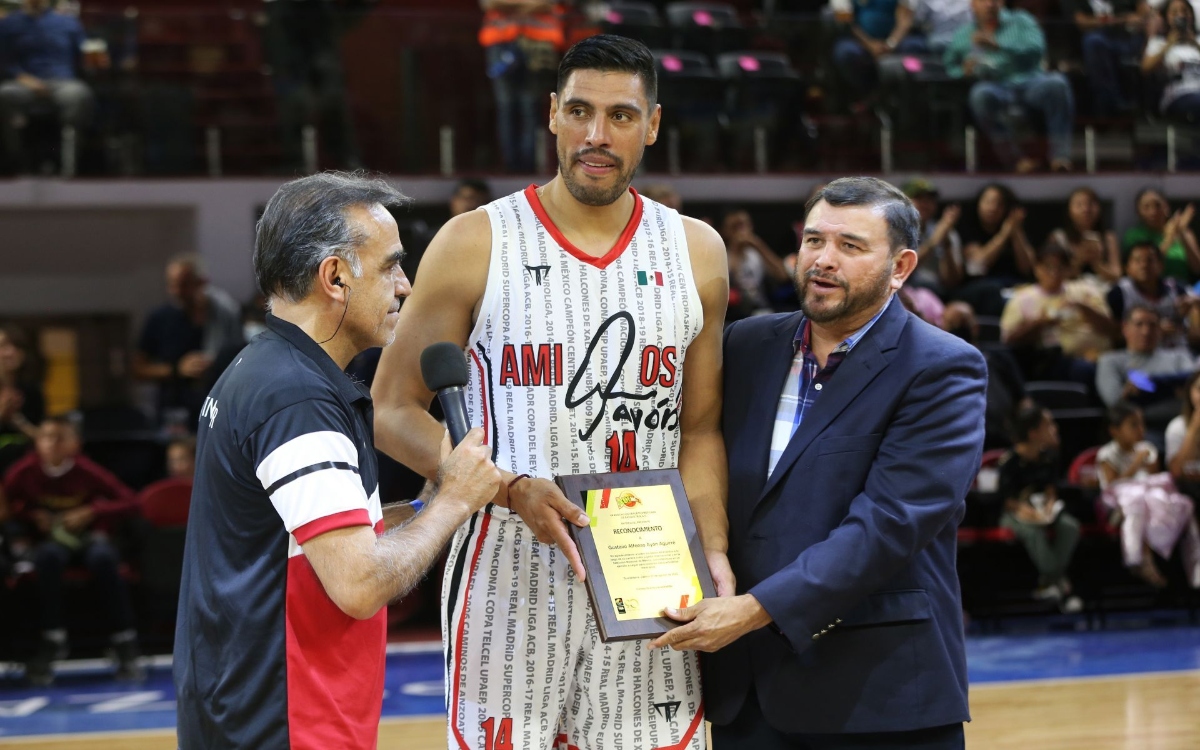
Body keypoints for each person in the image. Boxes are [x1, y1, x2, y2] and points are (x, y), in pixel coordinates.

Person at [371, 35, 729, 750]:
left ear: (652, 126)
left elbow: (699, 430)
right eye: (580, 111)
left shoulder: (697, 251)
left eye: (621, 116)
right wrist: (507, 489)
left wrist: (712, 552)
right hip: (506, 573)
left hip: (650, 575)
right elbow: (390, 409)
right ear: (552, 115)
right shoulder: (474, 241)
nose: (597, 135)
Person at [173, 172, 501, 749]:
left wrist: (430, 501)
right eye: (390, 266)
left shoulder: (268, 371)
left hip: (251, 711)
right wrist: (453, 503)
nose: (405, 286)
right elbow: (359, 582)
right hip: (284, 722)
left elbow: (322, 543)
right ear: (335, 277)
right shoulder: (297, 399)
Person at [658, 177, 982, 748]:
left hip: (880, 696)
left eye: (850, 246)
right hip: (747, 690)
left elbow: (888, 525)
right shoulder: (746, 344)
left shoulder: (942, 368)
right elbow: (692, 453)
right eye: (814, 240)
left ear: (901, 267)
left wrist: (754, 610)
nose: (823, 260)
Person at [3, 415, 142, 686]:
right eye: (46, 437)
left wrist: (91, 511)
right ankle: (52, 638)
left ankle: (124, 640)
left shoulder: (86, 470)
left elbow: (131, 502)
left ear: (76, 444)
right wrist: (32, 516)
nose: (52, 444)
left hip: (88, 539)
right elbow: (7, 506)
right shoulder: (23, 471)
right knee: (47, 557)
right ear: (37, 442)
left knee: (104, 558)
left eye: (60, 438)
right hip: (50, 543)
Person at [944, 0, 1075, 172]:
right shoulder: (964, 33)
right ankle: (1016, 160)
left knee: (1057, 83)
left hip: (1030, 81)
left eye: (995, 0)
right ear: (973, 4)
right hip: (995, 86)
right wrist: (963, 71)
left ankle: (1060, 157)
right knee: (979, 95)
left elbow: (1037, 49)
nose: (990, 4)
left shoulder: (1021, 20)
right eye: (984, 0)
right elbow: (950, 66)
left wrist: (999, 46)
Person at [1097, 401, 1200, 588]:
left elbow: (1154, 478)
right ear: (1114, 430)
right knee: (1135, 498)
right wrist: (1136, 463)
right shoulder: (1106, 453)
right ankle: (1136, 558)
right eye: (1133, 425)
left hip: (1149, 498)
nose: (1141, 429)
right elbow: (1112, 485)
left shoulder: (1147, 448)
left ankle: (1195, 568)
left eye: (1142, 424)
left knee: (1184, 503)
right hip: (1118, 504)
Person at [133, 254, 245, 426]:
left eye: (184, 284)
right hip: (174, 414)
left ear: (202, 282)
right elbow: (138, 368)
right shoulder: (160, 319)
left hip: (217, 411)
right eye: (172, 284)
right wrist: (177, 369)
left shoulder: (225, 315)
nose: (176, 291)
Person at [997, 405, 1084, 611]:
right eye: (1048, 425)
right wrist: (1027, 512)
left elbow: (1051, 491)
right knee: (1033, 533)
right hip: (1016, 514)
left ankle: (1047, 583)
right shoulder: (1009, 462)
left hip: (1042, 511)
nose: (1055, 428)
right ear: (1033, 433)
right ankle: (1061, 585)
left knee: (1070, 526)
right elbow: (1008, 501)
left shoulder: (1049, 458)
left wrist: (1049, 507)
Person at [1000, 240, 1117, 384]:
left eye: (1060, 267)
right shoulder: (1022, 298)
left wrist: (1083, 307)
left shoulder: (1086, 290)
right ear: (1036, 268)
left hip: (1104, 358)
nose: (1054, 273)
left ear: (1068, 269)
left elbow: (1113, 330)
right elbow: (1009, 340)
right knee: (1084, 370)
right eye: (1048, 267)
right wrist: (1041, 323)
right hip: (1053, 360)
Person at [0, 0, 94, 172]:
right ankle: (17, 163)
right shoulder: (9, 23)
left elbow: (84, 55)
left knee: (79, 94)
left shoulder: (68, 22)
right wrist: (23, 78)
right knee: (4, 94)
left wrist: (94, 63)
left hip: (63, 82)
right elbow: (4, 60)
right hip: (24, 83)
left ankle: (69, 166)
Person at [1095, 304, 1194, 443]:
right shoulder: (1110, 361)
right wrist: (1173, 390)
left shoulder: (1179, 356)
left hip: (1184, 424)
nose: (1146, 331)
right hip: (1142, 430)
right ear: (1125, 328)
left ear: (1159, 329)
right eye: (1139, 324)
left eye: (1152, 325)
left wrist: (1145, 388)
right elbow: (1116, 403)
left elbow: (1193, 383)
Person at [954, 182, 1034, 316]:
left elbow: (1028, 268)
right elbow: (978, 263)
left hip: (1012, 285)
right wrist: (1004, 234)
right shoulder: (968, 229)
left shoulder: (1015, 228)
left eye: (999, 204)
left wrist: (1016, 233)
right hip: (979, 286)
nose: (993, 208)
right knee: (992, 290)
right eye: (988, 202)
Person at [1107, 240, 1199, 349]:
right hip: (1139, 353)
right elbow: (1114, 333)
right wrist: (1155, 330)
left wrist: (1193, 305)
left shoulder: (1176, 288)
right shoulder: (1119, 294)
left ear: (1161, 265)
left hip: (1179, 351)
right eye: (1137, 261)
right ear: (1127, 268)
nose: (1144, 265)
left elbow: (1195, 305)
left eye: (1150, 260)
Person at [1073, 0, 1148, 117]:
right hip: (1098, 39)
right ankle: (1113, 105)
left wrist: (1138, 18)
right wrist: (1120, 19)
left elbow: (1143, 10)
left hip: (1128, 37)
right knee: (1093, 42)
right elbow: (1082, 22)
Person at [722, 207, 792, 319]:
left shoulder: (756, 254)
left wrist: (758, 245)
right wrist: (736, 249)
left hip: (762, 310)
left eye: (743, 225)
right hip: (733, 313)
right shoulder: (722, 254)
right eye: (735, 227)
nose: (741, 231)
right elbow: (727, 282)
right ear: (726, 230)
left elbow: (782, 275)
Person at [903, 177, 964, 300]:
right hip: (907, 290)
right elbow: (901, 272)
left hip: (939, 292)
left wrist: (946, 244)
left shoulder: (946, 231)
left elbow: (952, 282)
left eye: (929, 200)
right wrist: (933, 241)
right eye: (919, 199)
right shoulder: (895, 232)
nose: (925, 204)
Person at [1122, 188, 1199, 283]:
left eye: (1157, 205)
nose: (1153, 211)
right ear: (1138, 212)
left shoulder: (1184, 231)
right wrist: (1169, 238)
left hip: (1182, 288)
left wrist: (1181, 233)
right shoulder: (1134, 236)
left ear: (1166, 207)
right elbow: (1148, 265)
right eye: (1146, 207)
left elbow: (1197, 268)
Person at [1049, 186, 1123, 284]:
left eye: (1090, 204)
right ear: (1069, 210)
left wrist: (1096, 263)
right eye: (1079, 205)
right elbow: (1052, 276)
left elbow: (1117, 275)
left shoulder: (1108, 237)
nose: (1086, 209)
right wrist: (1078, 261)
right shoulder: (1058, 238)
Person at [1142, 0, 1200, 122]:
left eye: (1185, 11)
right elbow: (1145, 68)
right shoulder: (1159, 42)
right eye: (1174, 12)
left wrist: (1194, 43)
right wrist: (1169, 44)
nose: (1181, 15)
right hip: (1178, 93)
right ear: (1166, 18)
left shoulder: (1197, 41)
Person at [0, 324, 43, 474]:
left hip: (24, 466)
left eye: (17, 347)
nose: (10, 352)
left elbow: (43, 435)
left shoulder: (31, 390)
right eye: (3, 346)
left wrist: (17, 420)